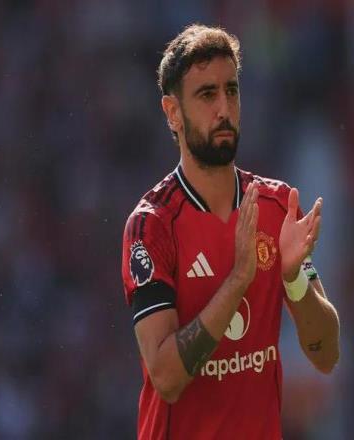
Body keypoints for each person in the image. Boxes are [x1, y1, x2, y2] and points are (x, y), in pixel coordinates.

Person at [121, 24, 340, 440]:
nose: (224, 108)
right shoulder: (151, 226)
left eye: (232, 91)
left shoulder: (277, 208)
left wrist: (294, 279)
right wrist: (238, 280)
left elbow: (326, 354)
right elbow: (166, 377)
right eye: (207, 95)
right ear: (173, 112)